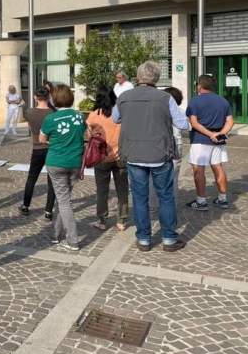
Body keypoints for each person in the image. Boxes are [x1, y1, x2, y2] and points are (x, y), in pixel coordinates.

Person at [113, 61, 190, 252]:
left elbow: (115, 118)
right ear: (156, 78)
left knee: (140, 198)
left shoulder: (124, 97)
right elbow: (183, 124)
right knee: (166, 197)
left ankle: (144, 239)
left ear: (138, 77)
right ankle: (169, 239)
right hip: (160, 153)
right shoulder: (165, 98)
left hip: (134, 153)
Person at [40, 84, 85, 250]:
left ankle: (72, 240)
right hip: (75, 162)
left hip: (56, 161)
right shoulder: (80, 116)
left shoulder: (50, 119)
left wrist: (54, 142)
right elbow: (84, 134)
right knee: (63, 199)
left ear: (55, 99)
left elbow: (41, 139)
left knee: (64, 202)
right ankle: (55, 234)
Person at [184, 75, 234, 211]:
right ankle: (222, 199)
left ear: (199, 86)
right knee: (218, 167)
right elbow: (230, 122)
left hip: (200, 139)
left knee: (199, 169)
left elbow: (194, 123)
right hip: (218, 140)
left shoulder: (195, 101)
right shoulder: (223, 101)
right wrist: (220, 133)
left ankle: (201, 201)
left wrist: (210, 134)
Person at [86, 85, 129, 231]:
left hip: (101, 158)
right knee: (122, 190)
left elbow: (90, 137)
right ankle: (121, 220)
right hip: (120, 156)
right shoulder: (121, 113)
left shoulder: (94, 115)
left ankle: (102, 220)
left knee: (102, 190)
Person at [18, 86, 56, 219]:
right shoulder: (53, 113)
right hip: (51, 148)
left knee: (32, 177)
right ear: (49, 97)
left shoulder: (29, 112)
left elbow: (30, 127)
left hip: (37, 148)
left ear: (35, 97)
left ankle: (26, 205)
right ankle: (48, 210)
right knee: (52, 180)